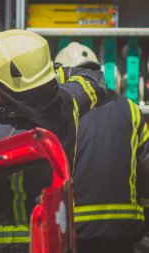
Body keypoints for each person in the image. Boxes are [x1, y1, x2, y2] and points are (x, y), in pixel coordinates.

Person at [0, 29, 106, 251]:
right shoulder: (65, 102)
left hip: (8, 246)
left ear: (11, 86)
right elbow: (94, 79)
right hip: (54, 238)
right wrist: (40, 73)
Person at [55, 41, 149, 253]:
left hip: (73, 225)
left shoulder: (61, 112)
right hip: (123, 226)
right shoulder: (132, 110)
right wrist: (145, 217)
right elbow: (146, 171)